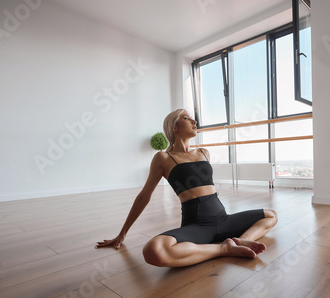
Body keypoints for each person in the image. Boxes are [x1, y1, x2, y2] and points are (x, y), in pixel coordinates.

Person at [96, 109, 278, 267]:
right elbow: (144, 196)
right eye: (186, 118)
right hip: (197, 224)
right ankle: (223, 248)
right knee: (153, 250)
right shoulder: (163, 158)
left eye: (192, 119)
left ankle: (241, 241)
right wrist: (122, 234)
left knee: (271, 215)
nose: (194, 121)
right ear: (174, 127)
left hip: (223, 218)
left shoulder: (203, 152)